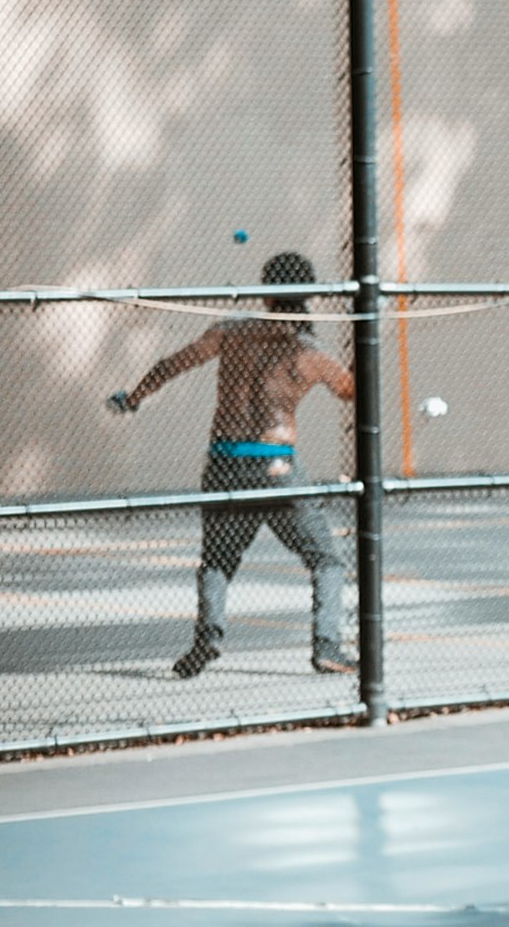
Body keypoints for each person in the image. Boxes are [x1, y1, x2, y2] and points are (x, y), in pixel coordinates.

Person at [109, 253, 356, 681]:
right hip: (275, 467)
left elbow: (172, 365)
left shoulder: (230, 332)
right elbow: (351, 391)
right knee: (327, 561)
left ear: (266, 289)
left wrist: (133, 397)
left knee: (217, 561)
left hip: (224, 462)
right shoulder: (308, 352)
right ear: (308, 294)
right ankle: (327, 647)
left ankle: (207, 638)